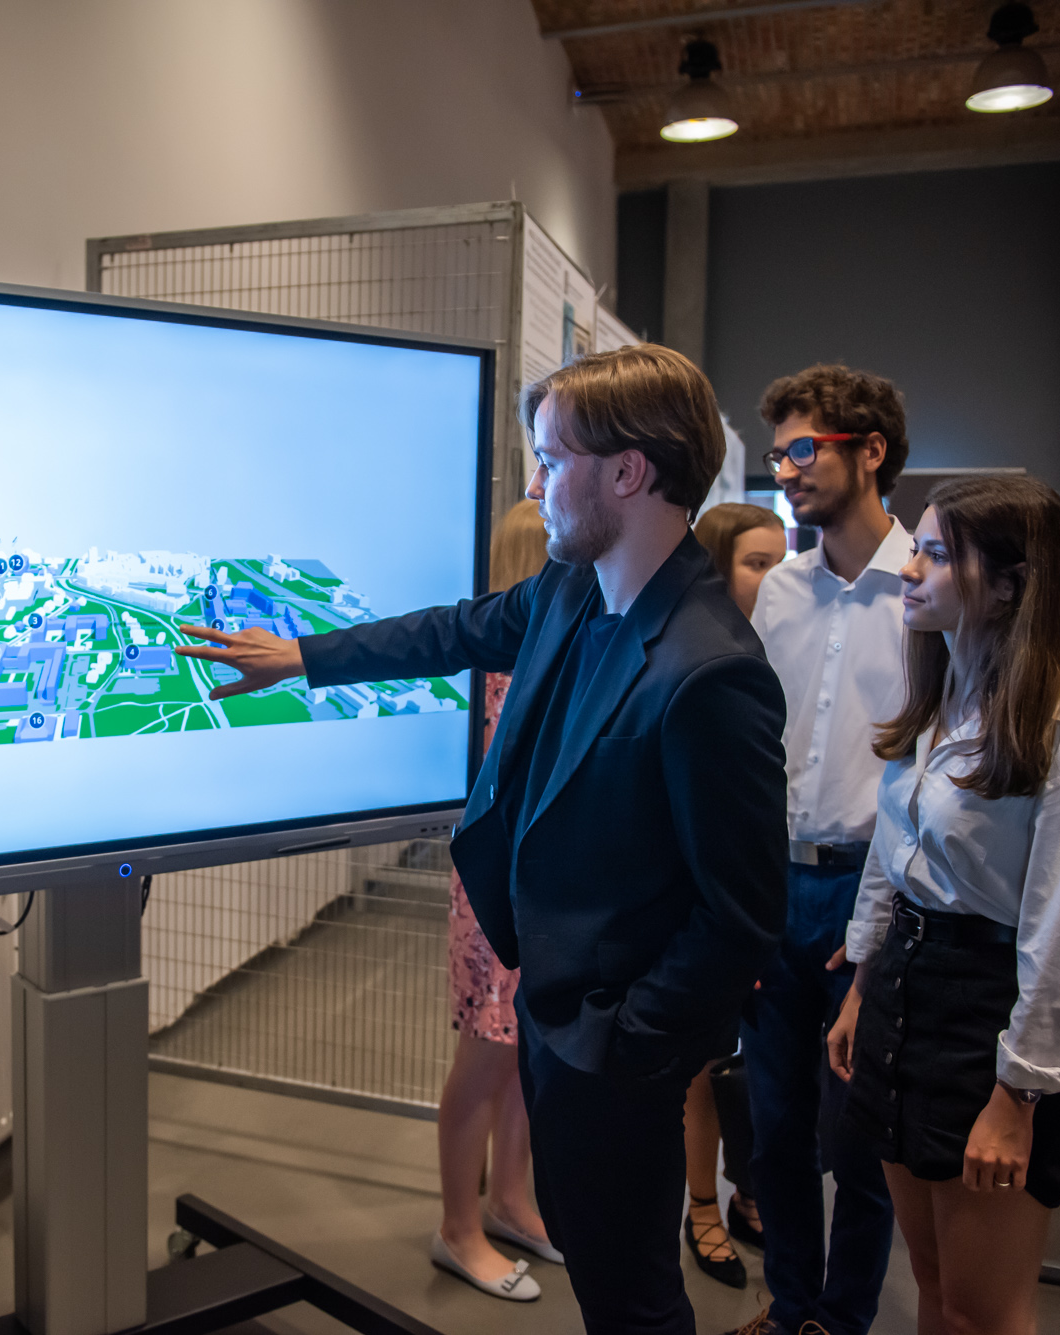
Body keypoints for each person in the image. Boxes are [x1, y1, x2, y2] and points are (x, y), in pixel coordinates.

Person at [178, 343, 788, 1335]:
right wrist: (302, 656)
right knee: (601, 1267)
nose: (534, 487)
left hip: (612, 1050)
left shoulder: (708, 669)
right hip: (553, 1012)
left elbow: (741, 915)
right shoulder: (572, 590)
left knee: (633, 1302)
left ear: (628, 472)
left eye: (551, 459)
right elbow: (449, 632)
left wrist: (625, 1046)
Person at [827, 476, 1060, 1335]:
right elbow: (894, 853)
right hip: (908, 989)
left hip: (990, 1016)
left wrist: (1018, 1095)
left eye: (934, 553)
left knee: (982, 1311)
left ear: (1007, 584)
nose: (908, 568)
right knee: (932, 1282)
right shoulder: (942, 694)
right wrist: (862, 983)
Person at [728, 366, 910, 1335]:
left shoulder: (925, 590)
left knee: (859, 1137)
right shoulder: (780, 593)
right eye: (778, 454)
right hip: (774, 888)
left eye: (804, 449)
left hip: (869, 893)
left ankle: (840, 1321)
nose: (786, 471)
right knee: (774, 1128)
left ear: (869, 451)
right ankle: (791, 1304)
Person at [431, 498, 559, 1302]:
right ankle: (458, 1226)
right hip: (495, 896)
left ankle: (512, 1199)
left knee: (524, 1058)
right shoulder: (489, 677)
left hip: (548, 895)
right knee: (484, 1059)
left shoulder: (553, 660)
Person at [682, 503, 786, 1288]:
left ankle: (752, 1191)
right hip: (709, 896)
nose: (775, 578)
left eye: (782, 561)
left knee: (771, 1067)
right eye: (757, 563)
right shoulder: (699, 655)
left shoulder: (788, 644)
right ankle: (700, 1205)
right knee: (706, 1063)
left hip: (786, 889)